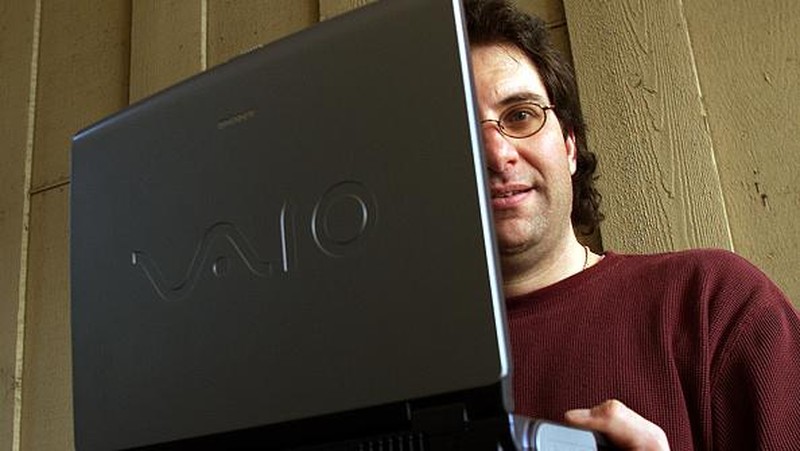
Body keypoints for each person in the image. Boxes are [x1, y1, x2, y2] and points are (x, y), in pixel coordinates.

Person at [464, 0, 800, 449]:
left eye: (521, 115)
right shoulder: (393, 359)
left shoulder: (713, 302)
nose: (496, 153)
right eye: (461, 128)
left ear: (569, 145)